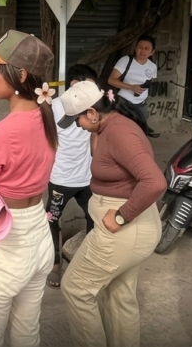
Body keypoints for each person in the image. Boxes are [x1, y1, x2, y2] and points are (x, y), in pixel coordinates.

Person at [0, 30, 58, 347]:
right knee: (27, 332)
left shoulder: (2, 133)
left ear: (19, 75)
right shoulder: (45, 118)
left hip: (4, 246)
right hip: (39, 236)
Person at [58, 81, 166, 347]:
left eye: (78, 119)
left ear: (93, 113)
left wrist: (121, 216)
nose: (78, 125)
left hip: (126, 228)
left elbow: (155, 182)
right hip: (134, 228)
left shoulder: (119, 132)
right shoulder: (111, 126)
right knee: (119, 295)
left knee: (76, 288)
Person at [46, 64, 99, 289]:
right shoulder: (54, 108)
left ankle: (90, 264)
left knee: (94, 218)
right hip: (60, 179)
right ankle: (55, 264)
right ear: (74, 85)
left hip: (88, 178)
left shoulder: (96, 109)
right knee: (52, 220)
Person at [108, 35, 158, 122]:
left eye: (146, 48)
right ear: (135, 48)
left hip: (141, 105)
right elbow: (111, 80)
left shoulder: (152, 66)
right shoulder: (126, 60)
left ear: (152, 52)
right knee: (122, 129)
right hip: (123, 103)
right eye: (140, 47)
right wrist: (131, 87)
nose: (142, 51)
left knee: (140, 130)